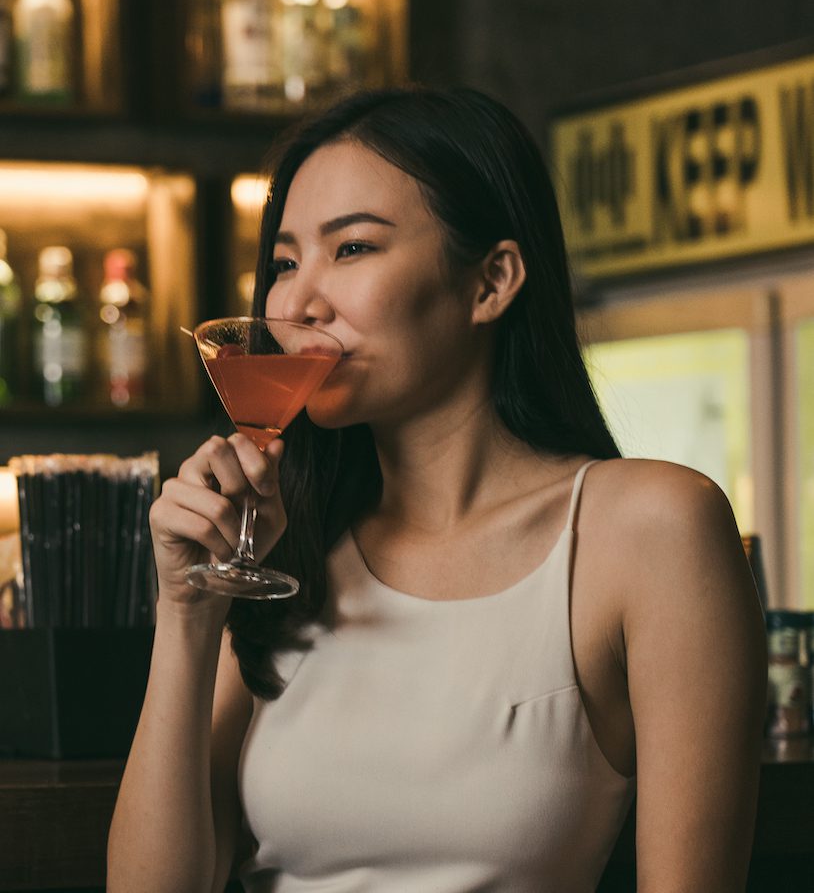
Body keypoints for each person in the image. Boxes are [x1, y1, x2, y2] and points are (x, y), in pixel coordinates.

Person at [107, 87, 767, 893]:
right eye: (283, 262)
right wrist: (189, 611)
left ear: (492, 281)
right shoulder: (288, 549)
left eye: (350, 249)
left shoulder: (650, 528)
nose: (296, 303)